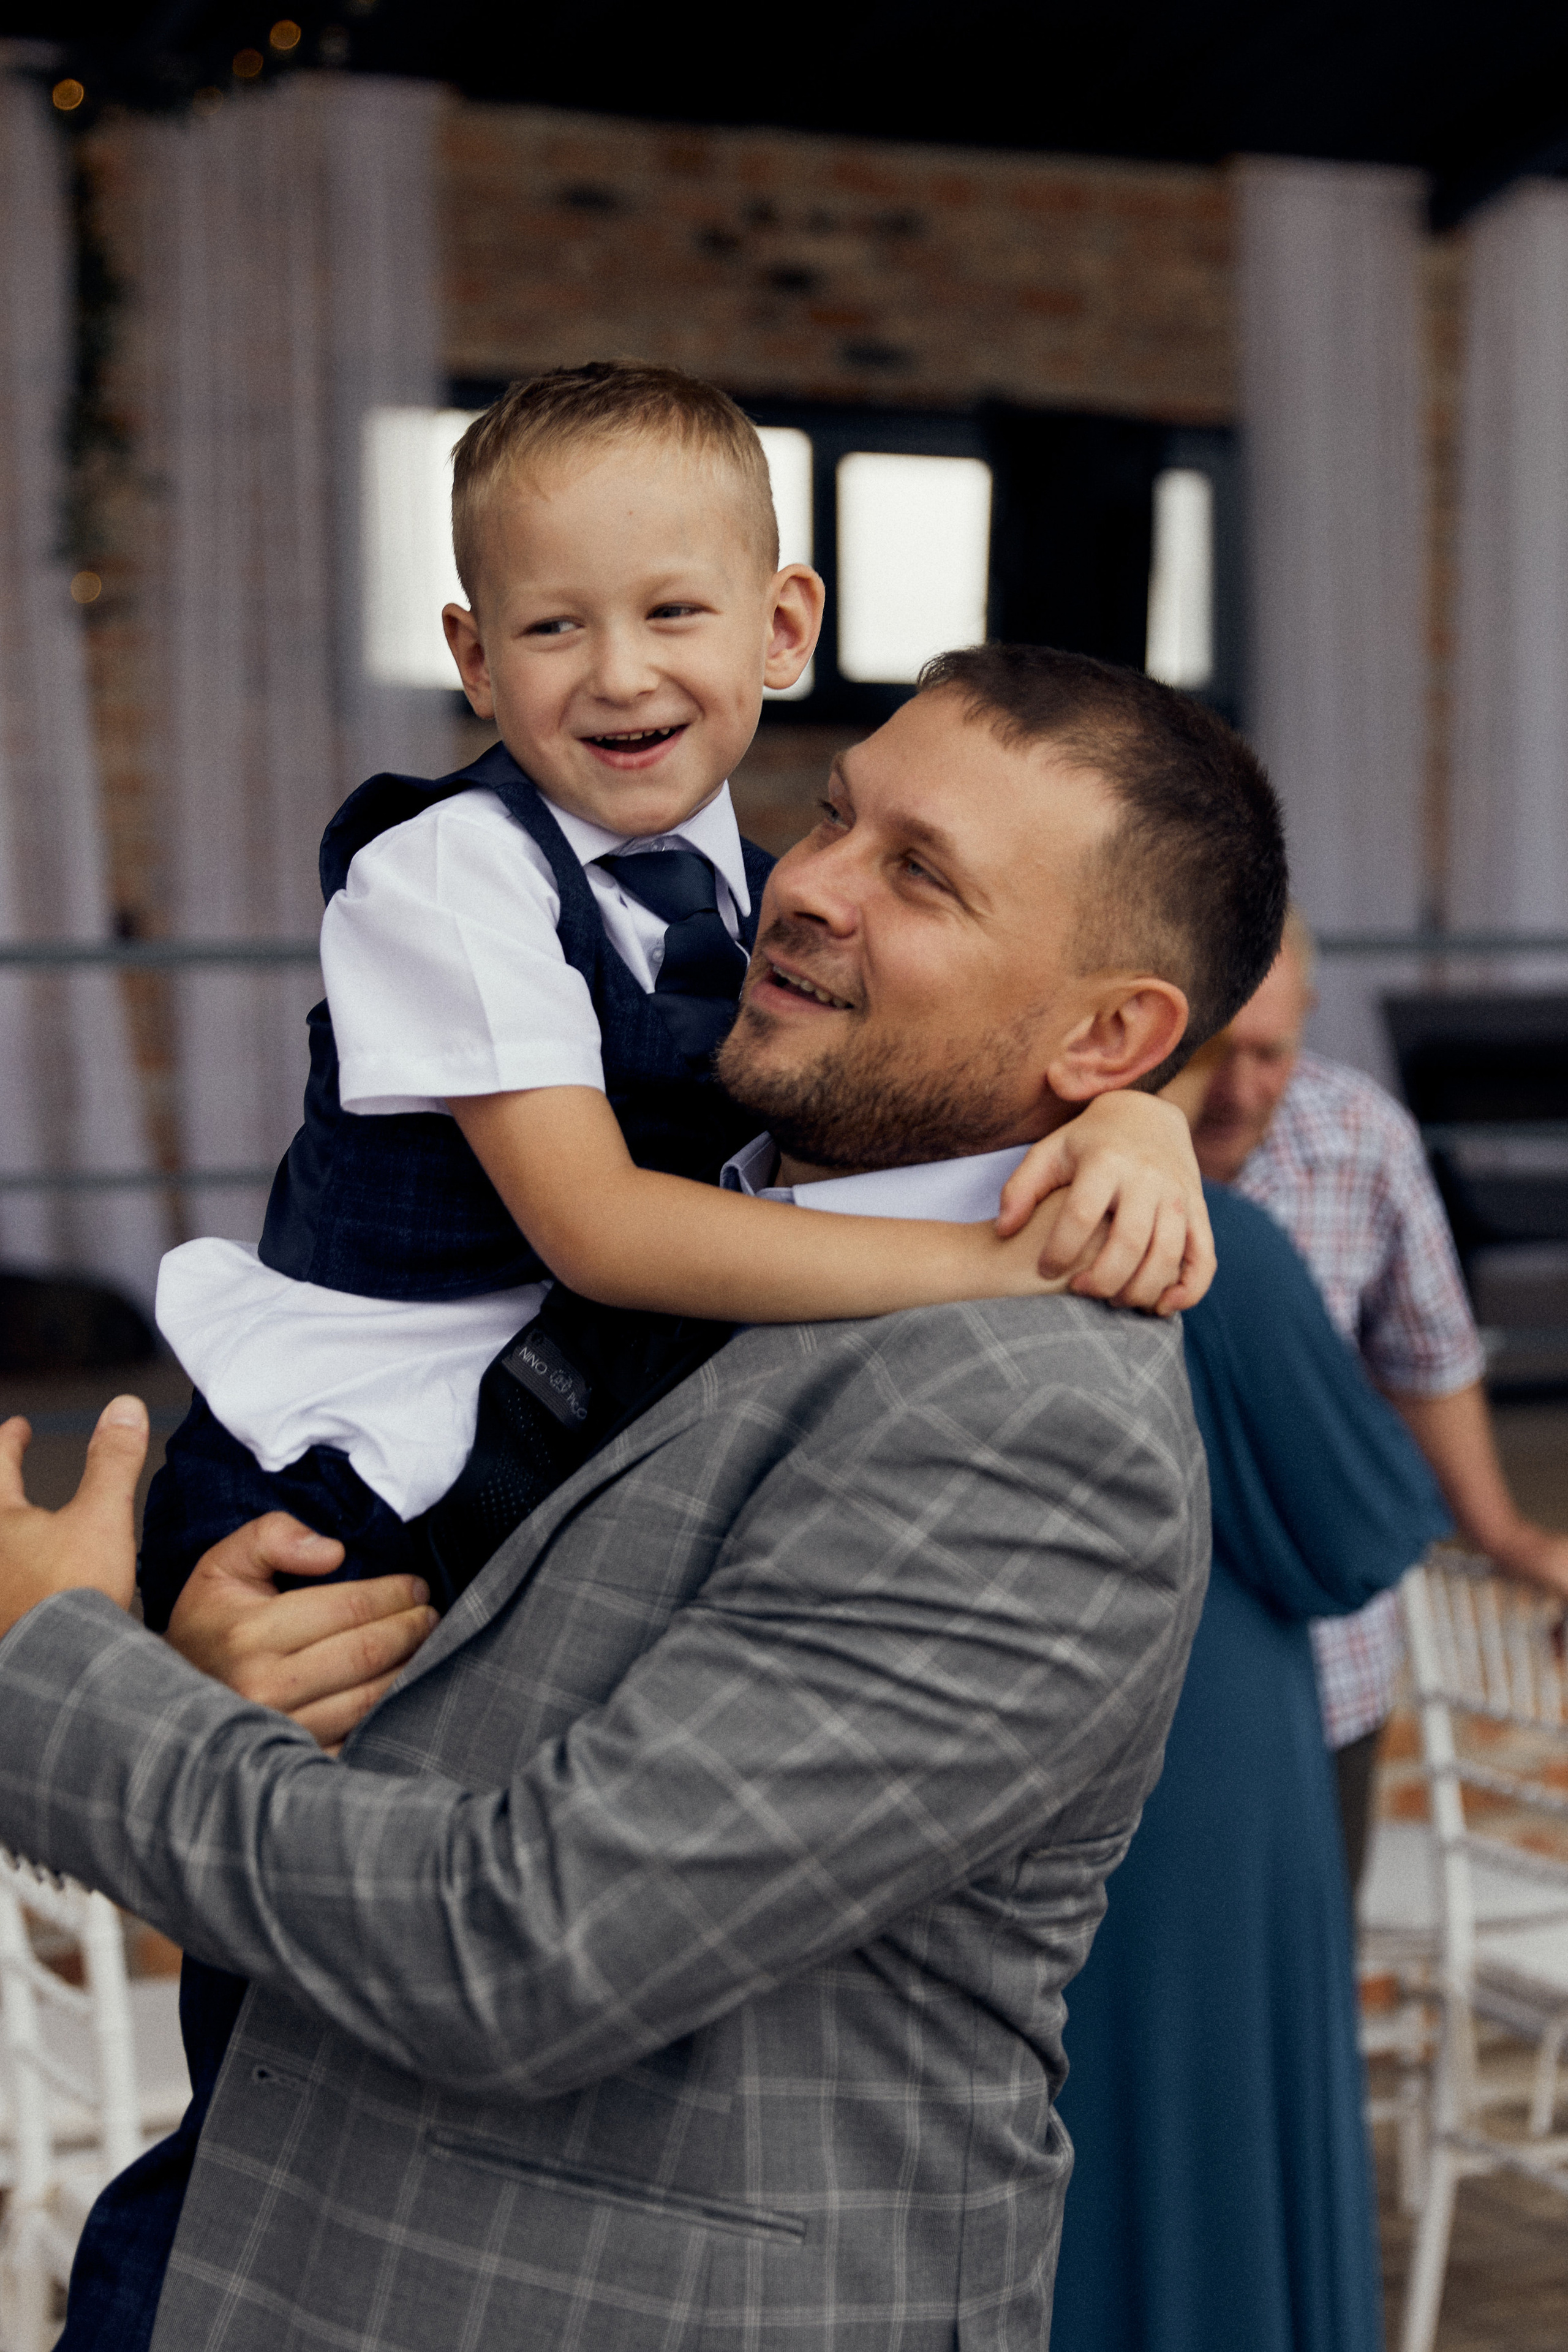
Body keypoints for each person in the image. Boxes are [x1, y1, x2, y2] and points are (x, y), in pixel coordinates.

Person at [0, 644, 1287, 2352]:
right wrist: (253, 1670)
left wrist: (65, 1674)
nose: (806, 887)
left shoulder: (1038, 1419)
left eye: (921, 877)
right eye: (831, 813)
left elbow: (519, 1947)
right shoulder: (677, 1181)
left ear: (1109, 1033)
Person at [144, 361, 1208, 1634]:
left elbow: (908, 1115)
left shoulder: (776, 904)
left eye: (671, 613)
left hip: (555, 1435)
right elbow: (595, 1229)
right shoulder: (447, 871)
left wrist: (1132, 1124)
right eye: (552, 628)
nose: (619, 675)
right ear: (476, 660)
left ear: (780, 629)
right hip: (356, 1465)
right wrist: (998, 1263)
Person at [1048, 1169, 1450, 2352]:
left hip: (1011, 1750)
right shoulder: (1203, 1235)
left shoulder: (852, 1206)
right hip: (1202, 1763)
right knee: (1217, 2134)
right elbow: (1365, 1521)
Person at [1191, 909, 1568, 1886]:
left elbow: (1427, 1359)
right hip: (1151, 1672)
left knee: (1316, 1958)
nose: (1238, 1090)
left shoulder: (1362, 1138)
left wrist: (1503, 1535)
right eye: (1213, 1049)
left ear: (1309, 1020)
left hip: (1329, 1664)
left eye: (1270, 1053)